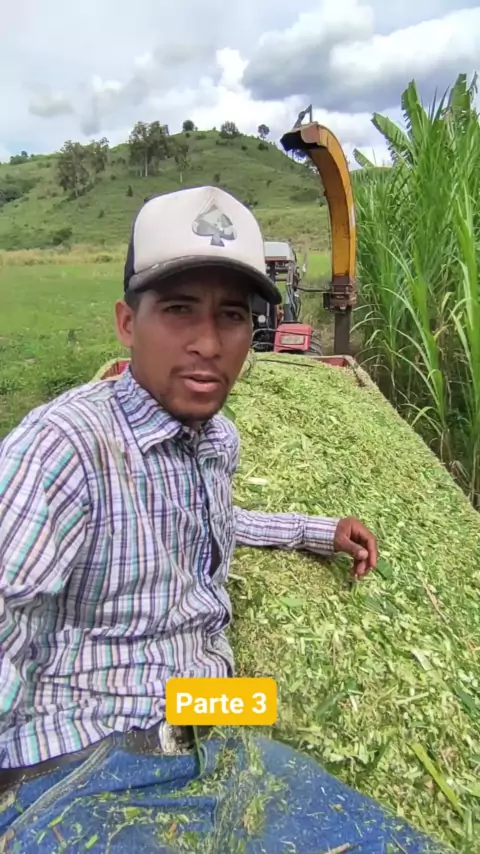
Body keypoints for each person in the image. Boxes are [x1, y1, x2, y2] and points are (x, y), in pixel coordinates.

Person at [0, 187, 444, 853]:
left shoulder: (216, 439)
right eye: (179, 310)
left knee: (374, 796)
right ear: (127, 323)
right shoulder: (65, 447)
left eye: (231, 315)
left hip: (211, 713)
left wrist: (315, 530)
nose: (208, 343)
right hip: (88, 754)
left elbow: (211, 518)